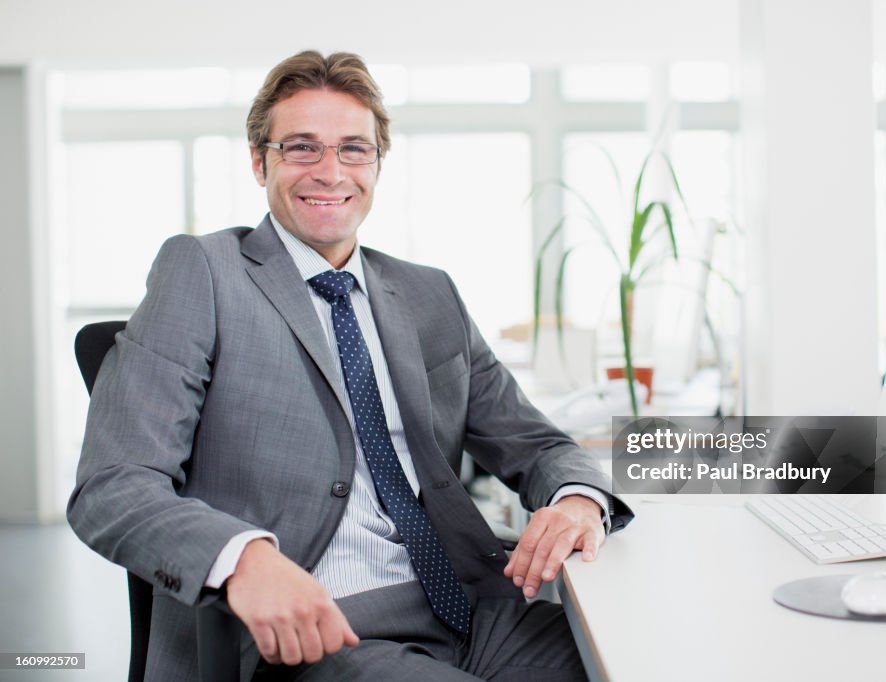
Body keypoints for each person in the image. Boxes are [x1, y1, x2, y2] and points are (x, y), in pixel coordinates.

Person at [67, 50, 632, 681]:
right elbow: (112, 486)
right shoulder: (204, 273)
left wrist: (579, 499)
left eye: (354, 149)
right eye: (302, 147)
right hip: (312, 632)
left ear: (377, 164)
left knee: (641, 660)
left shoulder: (428, 293)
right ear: (260, 161)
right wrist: (245, 560)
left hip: (472, 611)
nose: (331, 171)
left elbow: (535, 441)